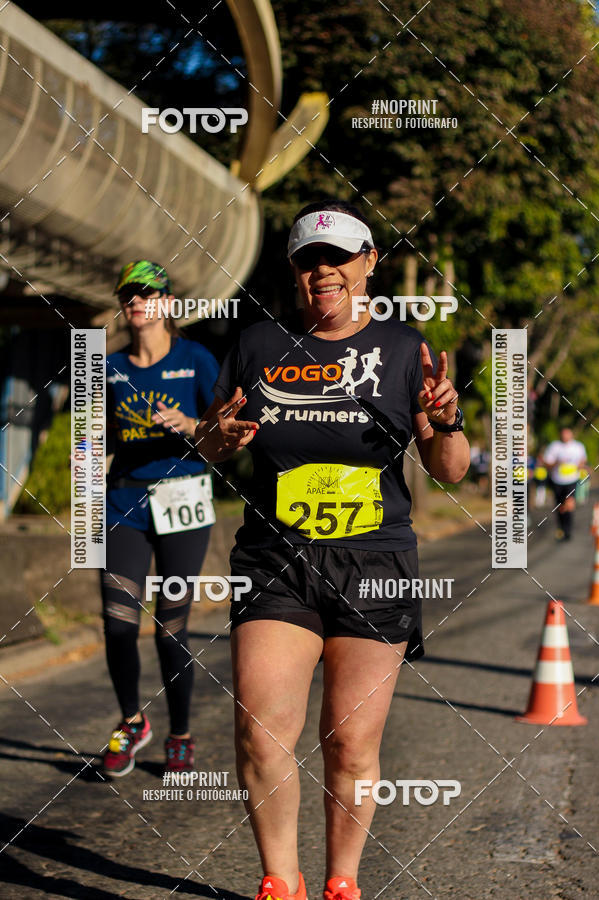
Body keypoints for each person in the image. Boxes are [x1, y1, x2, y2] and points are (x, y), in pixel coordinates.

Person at [196, 201, 470, 900]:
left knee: (350, 745)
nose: (326, 271)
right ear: (294, 272)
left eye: (340, 257)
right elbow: (212, 440)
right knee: (261, 733)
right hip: (275, 560)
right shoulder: (257, 345)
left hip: (374, 564)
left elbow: (451, 469)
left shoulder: (405, 351)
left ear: (369, 261)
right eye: (310, 260)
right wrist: (217, 442)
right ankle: (279, 881)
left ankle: (341, 883)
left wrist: (447, 422)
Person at [101, 260, 219, 776]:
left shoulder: (195, 359)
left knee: (170, 630)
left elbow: (225, 431)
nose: (136, 301)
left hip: (182, 498)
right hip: (123, 501)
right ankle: (131, 722)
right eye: (129, 294)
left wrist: (191, 423)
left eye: (147, 293)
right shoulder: (107, 367)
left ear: (168, 303)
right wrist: (84, 456)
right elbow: (97, 437)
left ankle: (180, 733)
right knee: (117, 622)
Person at [544, 427, 587, 541]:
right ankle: (561, 528)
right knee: (560, 506)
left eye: (567, 435)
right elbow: (547, 463)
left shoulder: (578, 446)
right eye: (563, 435)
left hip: (572, 480)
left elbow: (583, 460)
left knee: (569, 503)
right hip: (557, 480)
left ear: (571, 435)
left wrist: (580, 465)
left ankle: (568, 530)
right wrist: (556, 463)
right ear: (560, 435)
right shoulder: (554, 446)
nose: (565, 437)